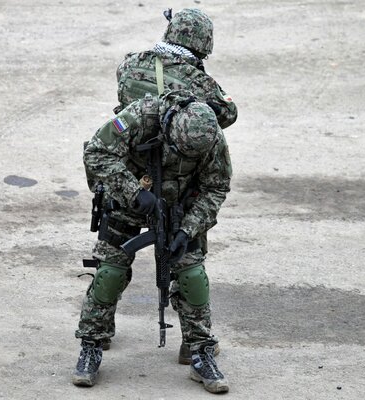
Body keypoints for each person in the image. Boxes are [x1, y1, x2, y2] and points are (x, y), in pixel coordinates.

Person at [72, 90, 232, 393]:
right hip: (127, 199)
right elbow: (96, 152)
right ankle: (92, 343)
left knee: (192, 275)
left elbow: (216, 187)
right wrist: (133, 192)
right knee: (111, 271)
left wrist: (188, 229)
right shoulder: (142, 115)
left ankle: (200, 350)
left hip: (180, 209)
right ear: (171, 127)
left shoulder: (211, 138)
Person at [114, 7, 237, 364]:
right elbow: (226, 114)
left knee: (112, 258)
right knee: (189, 264)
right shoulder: (198, 82)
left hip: (132, 178)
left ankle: (97, 333)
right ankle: (195, 345)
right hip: (180, 183)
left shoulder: (130, 65)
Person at [116, 8, 237, 130]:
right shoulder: (197, 81)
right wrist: (202, 73)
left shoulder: (130, 62)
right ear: (204, 44)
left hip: (128, 142)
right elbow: (229, 114)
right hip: (169, 147)